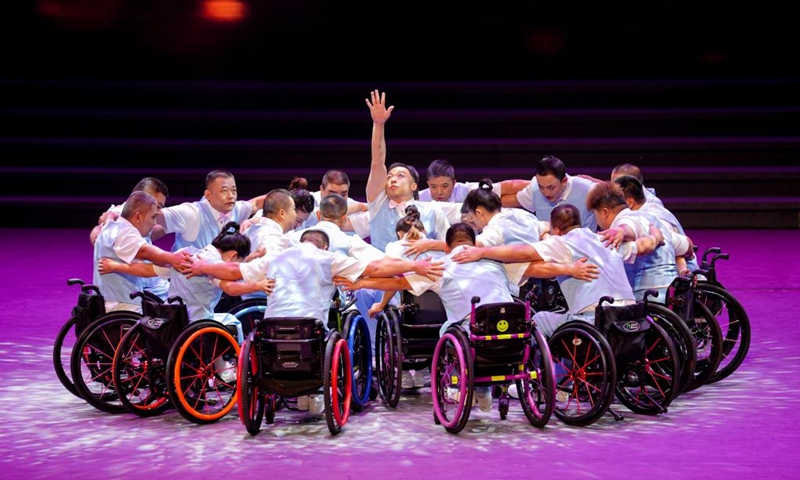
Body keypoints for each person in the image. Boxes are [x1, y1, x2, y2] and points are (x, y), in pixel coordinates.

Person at [335, 223, 600, 412]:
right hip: (513, 340)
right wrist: (570, 269)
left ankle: (475, 389)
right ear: (474, 243)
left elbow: (398, 283)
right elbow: (537, 268)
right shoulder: (496, 262)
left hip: (475, 338)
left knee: (448, 331)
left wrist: (360, 284)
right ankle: (484, 392)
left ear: (447, 246)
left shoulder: (442, 266)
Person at [98, 221, 275, 345]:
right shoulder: (212, 266)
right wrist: (257, 285)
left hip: (172, 319)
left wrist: (116, 266)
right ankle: (228, 371)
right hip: (196, 322)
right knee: (232, 321)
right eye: (240, 262)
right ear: (232, 256)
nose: (239, 267)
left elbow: (148, 270)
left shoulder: (185, 254)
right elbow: (231, 287)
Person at [364, 90, 450, 252]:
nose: (393, 179)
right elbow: (377, 161)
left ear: (414, 186)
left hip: (423, 272)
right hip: (386, 275)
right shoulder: (378, 205)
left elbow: (449, 246)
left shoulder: (433, 211)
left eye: (400, 176)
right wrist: (378, 123)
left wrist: (429, 245)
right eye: (389, 176)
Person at [585, 181, 694, 303]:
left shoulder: (620, 224)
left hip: (646, 297)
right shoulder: (654, 221)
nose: (597, 222)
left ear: (605, 212)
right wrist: (688, 251)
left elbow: (631, 227)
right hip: (671, 293)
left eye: (595, 214)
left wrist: (621, 231)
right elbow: (687, 243)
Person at [93, 191, 192, 313]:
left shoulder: (109, 227)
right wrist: (172, 258)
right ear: (138, 217)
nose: (155, 223)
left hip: (105, 301)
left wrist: (110, 214)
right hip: (123, 306)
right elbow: (145, 251)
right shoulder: (126, 233)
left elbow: (107, 219)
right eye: (153, 217)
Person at [89, 176, 172, 300]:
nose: (159, 212)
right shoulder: (119, 215)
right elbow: (97, 234)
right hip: (138, 287)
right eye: (158, 206)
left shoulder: (147, 216)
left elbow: (154, 232)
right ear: (141, 197)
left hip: (150, 282)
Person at [156, 169, 266, 252]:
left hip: (219, 279)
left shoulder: (236, 209)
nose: (231, 196)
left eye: (234, 190)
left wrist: (282, 196)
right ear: (208, 195)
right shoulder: (191, 213)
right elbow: (154, 215)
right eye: (224, 191)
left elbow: (256, 203)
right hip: (189, 280)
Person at [612, 174, 698, 272]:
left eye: (616, 199)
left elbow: (677, 247)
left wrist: (683, 269)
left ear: (630, 202)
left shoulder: (653, 217)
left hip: (679, 276)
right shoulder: (641, 205)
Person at [499, 155, 598, 231]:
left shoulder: (589, 190)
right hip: (549, 250)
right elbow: (512, 199)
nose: (546, 193)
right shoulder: (535, 189)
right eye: (541, 187)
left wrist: (614, 232)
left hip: (584, 251)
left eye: (551, 187)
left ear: (564, 181)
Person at [295, 170, 371, 238]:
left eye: (343, 194)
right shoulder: (307, 201)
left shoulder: (359, 209)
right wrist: (356, 207)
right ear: (322, 189)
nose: (338, 198)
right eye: (332, 193)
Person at [580, 163, 664, 207]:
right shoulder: (627, 192)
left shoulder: (651, 204)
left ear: (631, 183)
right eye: (611, 182)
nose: (612, 188)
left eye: (617, 184)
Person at [418, 159, 502, 203]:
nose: (439, 192)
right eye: (433, 187)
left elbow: (502, 188)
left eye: (444, 186)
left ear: (454, 183)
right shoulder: (418, 199)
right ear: (428, 184)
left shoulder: (465, 191)